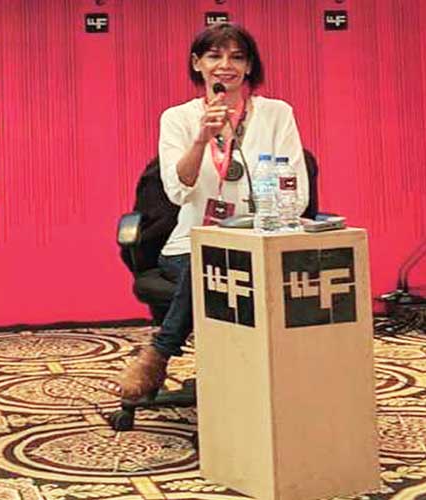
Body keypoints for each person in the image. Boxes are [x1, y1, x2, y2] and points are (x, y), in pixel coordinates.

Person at [117, 23, 309, 399]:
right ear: (197, 64)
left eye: (237, 57)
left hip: (259, 242)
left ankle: (160, 352)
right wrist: (201, 140)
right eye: (214, 56)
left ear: (249, 66)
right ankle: (162, 354)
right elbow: (178, 191)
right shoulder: (177, 118)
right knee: (210, 262)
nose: (226, 65)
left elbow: (296, 190)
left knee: (225, 261)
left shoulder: (277, 114)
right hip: (189, 246)